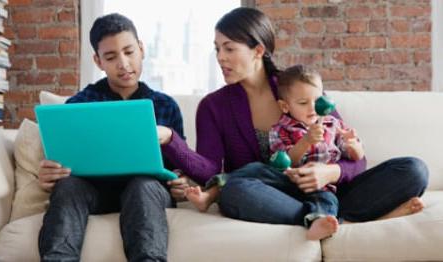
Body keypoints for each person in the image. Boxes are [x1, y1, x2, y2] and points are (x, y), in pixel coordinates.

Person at [163, 7, 428, 232]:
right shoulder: (213, 106)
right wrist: (169, 139)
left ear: (258, 50)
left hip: (329, 189)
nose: (220, 57)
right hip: (272, 196)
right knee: (233, 191)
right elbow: (210, 170)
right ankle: (330, 220)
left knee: (414, 170)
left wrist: (329, 172)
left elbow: (355, 158)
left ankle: (325, 218)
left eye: (229, 48)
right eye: (217, 48)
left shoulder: (301, 89)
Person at [37, 13, 192, 262]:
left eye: (129, 52)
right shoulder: (78, 105)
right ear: (98, 61)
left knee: (143, 185)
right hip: (94, 191)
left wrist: (181, 182)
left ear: (141, 49)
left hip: (146, 192)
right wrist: (48, 174)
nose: (123, 63)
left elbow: (180, 167)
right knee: (68, 186)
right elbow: (61, 160)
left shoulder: (165, 106)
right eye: (111, 57)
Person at [185, 65, 365, 240]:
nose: (312, 108)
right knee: (255, 169)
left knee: (327, 200)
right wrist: (306, 141)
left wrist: (353, 145)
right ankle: (214, 190)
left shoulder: (332, 124)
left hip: (320, 186)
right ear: (285, 106)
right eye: (303, 103)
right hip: (285, 182)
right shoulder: (281, 129)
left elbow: (357, 158)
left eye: (317, 101)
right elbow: (286, 161)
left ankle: (317, 222)